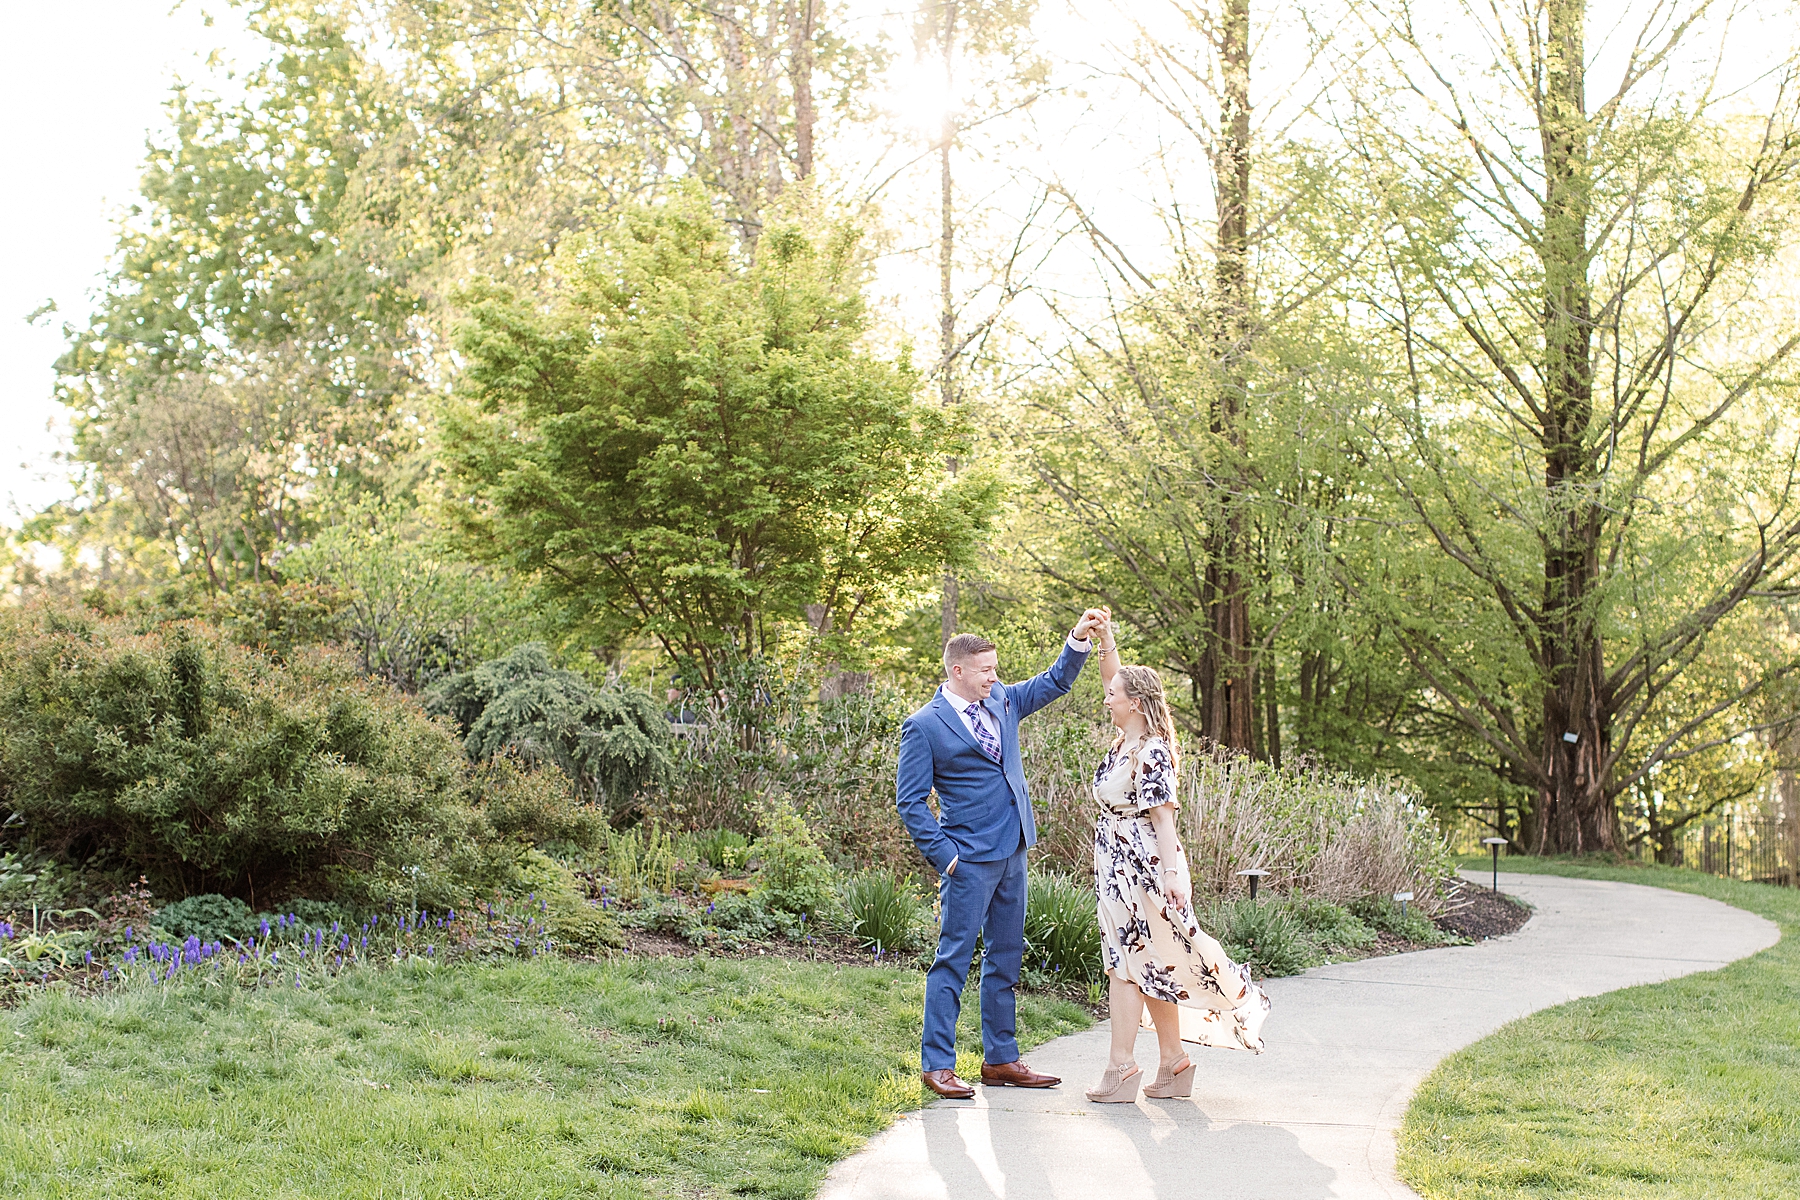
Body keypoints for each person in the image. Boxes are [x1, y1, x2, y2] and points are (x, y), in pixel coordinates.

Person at [896, 610, 1111, 1099]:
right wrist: (946, 856)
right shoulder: (924, 726)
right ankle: (937, 1065)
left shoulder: (1002, 700)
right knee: (952, 960)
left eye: (995, 669)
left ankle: (1000, 1060)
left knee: (1005, 960)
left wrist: (1078, 638)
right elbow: (909, 801)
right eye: (986, 669)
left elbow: (1056, 681)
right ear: (957, 671)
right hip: (967, 859)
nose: (995, 677)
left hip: (1014, 849)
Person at [1083, 624, 1271, 1104]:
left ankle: (1120, 1068)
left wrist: (1173, 875)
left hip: (1139, 868)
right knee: (1156, 962)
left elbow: (1164, 824)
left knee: (1126, 964)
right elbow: (1116, 677)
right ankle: (1173, 1064)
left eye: (1114, 696)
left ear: (1136, 704)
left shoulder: (1153, 753)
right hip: (1117, 862)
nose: (1107, 699)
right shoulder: (1127, 740)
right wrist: (1104, 640)